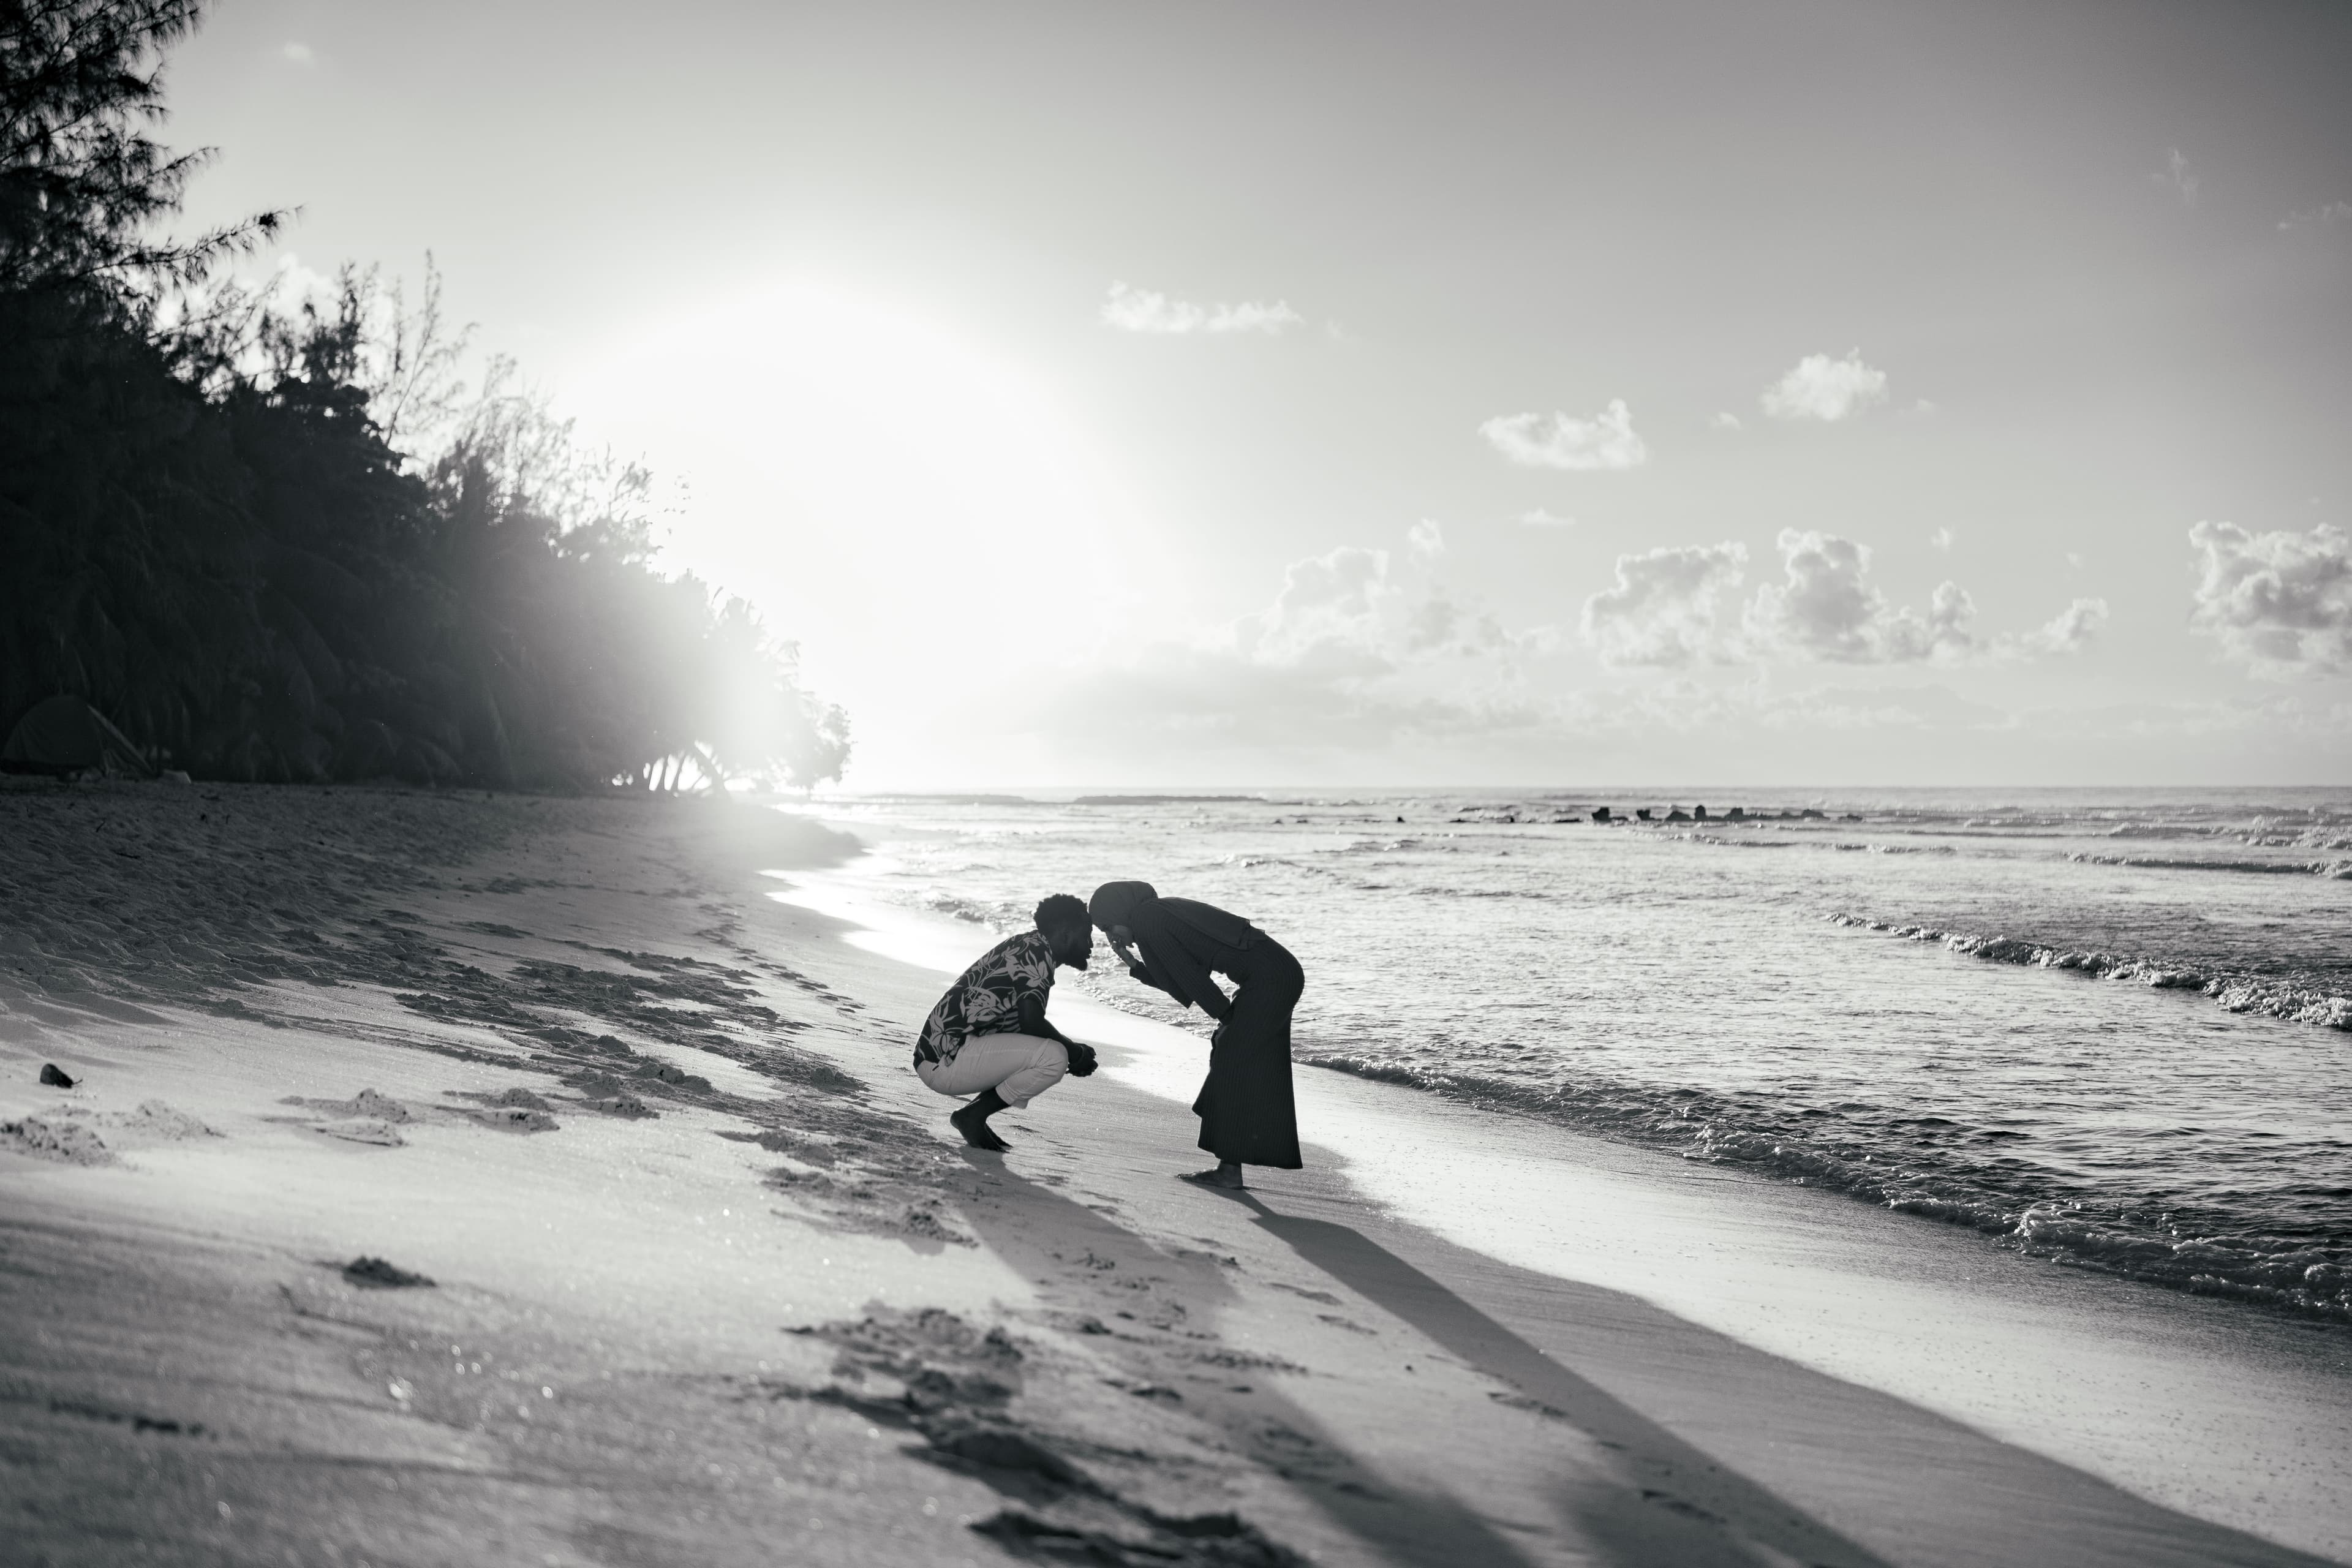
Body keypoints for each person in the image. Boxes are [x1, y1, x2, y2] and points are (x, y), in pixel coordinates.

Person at [1087, 880, 1302, 1188]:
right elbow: (1181, 978)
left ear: (1122, 910)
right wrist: (1133, 963)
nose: (1111, 936)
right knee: (1235, 1056)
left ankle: (1230, 1170)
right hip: (1276, 974)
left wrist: (1226, 1017)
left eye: (1108, 926)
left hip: (1271, 979)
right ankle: (1235, 1162)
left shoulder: (1148, 919)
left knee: (1231, 1057)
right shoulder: (1155, 914)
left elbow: (1190, 980)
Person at [913, 894, 1099, 1151]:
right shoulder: (1036, 954)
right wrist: (1075, 1052)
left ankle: (973, 1115)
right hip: (945, 1061)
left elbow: (1025, 1028)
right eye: (1086, 934)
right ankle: (972, 1116)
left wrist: (1075, 1052)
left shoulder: (1030, 945)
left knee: (1047, 1049)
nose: (1090, 944)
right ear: (1066, 934)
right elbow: (1031, 1023)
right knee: (1054, 1057)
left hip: (942, 1055)